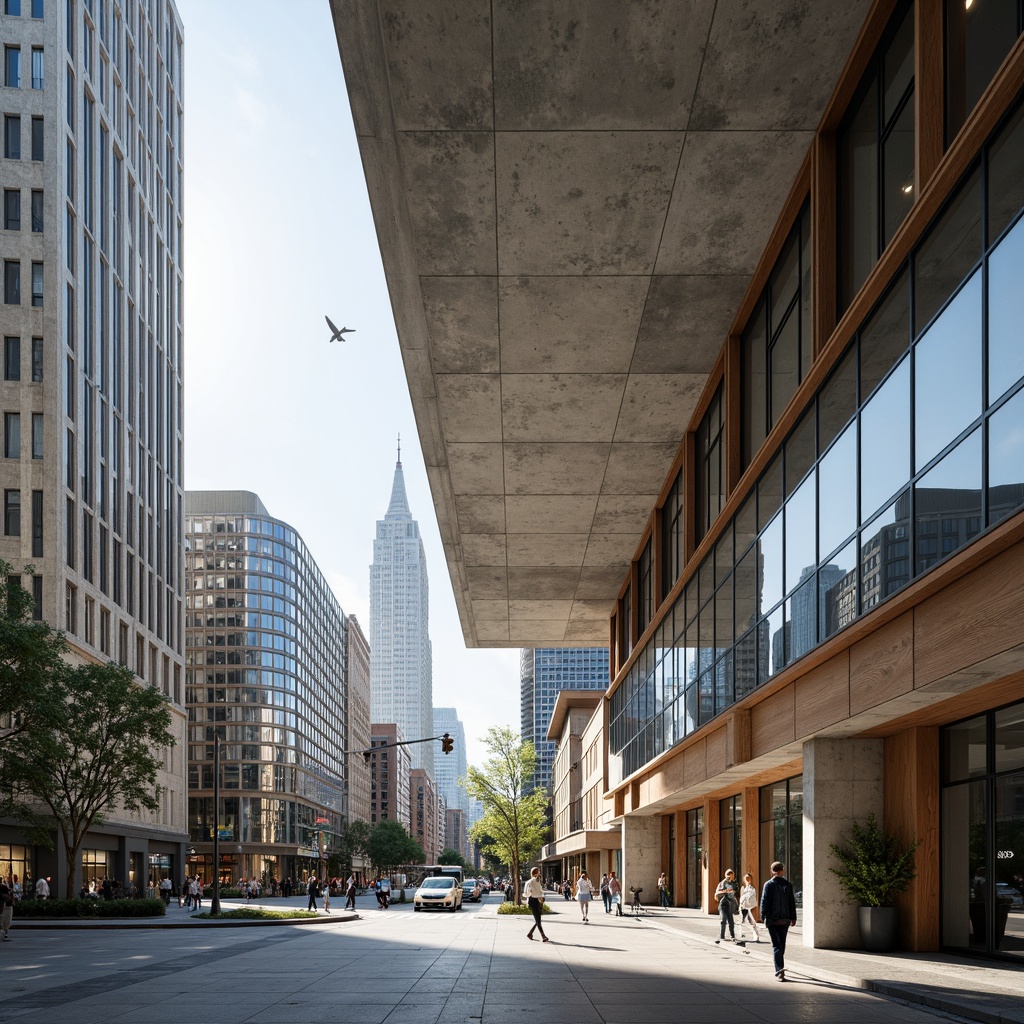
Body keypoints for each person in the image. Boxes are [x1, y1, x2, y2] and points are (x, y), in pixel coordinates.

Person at [760, 861, 797, 982]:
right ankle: (780, 968)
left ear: (772, 871)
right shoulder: (787, 885)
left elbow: (764, 902)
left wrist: (763, 917)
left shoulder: (768, 885)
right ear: (782, 871)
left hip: (772, 920)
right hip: (784, 919)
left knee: (776, 945)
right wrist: (793, 917)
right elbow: (792, 902)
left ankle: (779, 969)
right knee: (781, 944)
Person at [524, 866, 549, 942]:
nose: (540, 873)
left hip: (537, 900)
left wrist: (541, 897)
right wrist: (532, 894)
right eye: (538, 871)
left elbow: (540, 891)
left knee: (538, 919)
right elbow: (527, 892)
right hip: (533, 900)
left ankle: (530, 933)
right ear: (536, 873)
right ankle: (543, 936)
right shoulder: (531, 882)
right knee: (538, 919)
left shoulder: (536, 881)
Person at [715, 869, 740, 944]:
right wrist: (725, 890)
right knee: (723, 920)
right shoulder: (723, 882)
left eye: (732, 875)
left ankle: (732, 936)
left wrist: (734, 883)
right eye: (729, 875)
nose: (730, 876)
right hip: (723, 902)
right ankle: (722, 936)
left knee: (731, 920)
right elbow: (719, 891)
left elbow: (736, 890)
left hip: (730, 903)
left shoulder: (734, 883)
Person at [739, 873, 761, 942]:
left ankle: (756, 936)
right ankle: (741, 934)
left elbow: (754, 897)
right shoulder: (743, 888)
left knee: (752, 921)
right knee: (743, 921)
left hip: (751, 907)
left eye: (749, 878)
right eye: (746, 878)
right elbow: (741, 897)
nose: (747, 880)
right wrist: (740, 906)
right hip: (744, 906)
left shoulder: (752, 888)